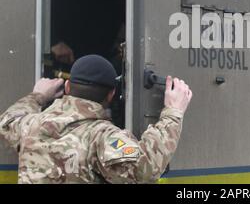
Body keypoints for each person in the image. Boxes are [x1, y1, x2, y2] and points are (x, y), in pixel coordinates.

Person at [0, 55, 192, 184]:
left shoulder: (30, 125)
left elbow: (7, 121)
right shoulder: (101, 136)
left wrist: (38, 95)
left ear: (67, 87)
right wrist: (173, 112)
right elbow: (145, 169)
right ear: (111, 95)